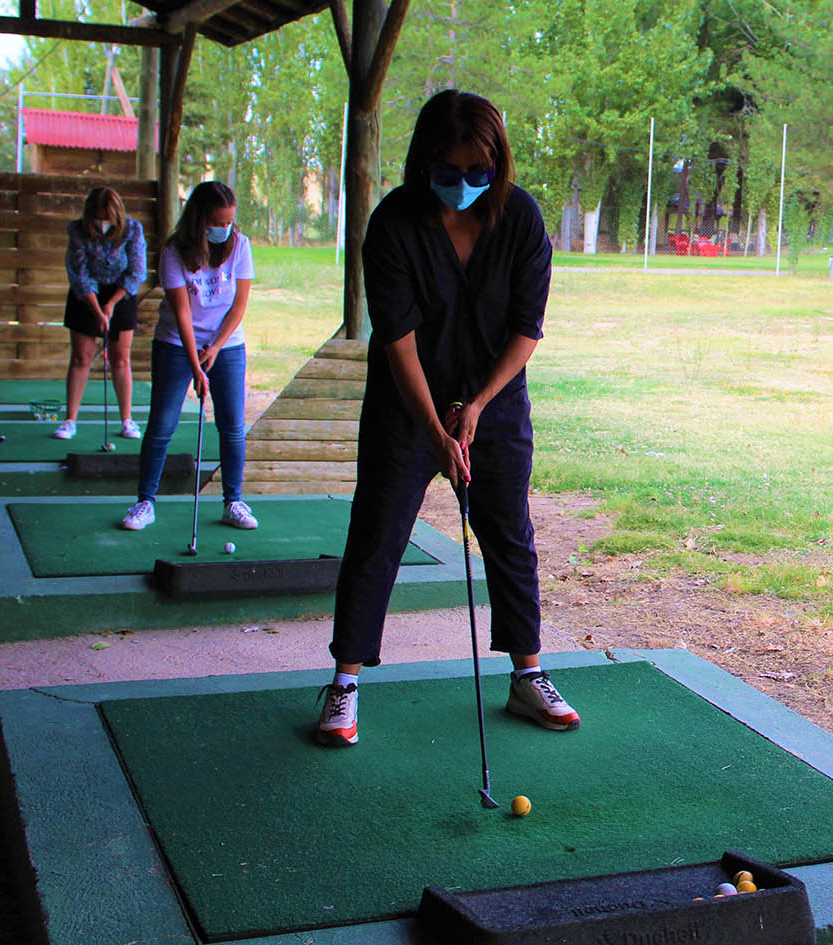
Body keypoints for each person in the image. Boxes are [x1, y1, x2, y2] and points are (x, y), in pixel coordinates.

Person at [316, 90, 578, 747]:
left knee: (508, 533)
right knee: (376, 531)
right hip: (406, 403)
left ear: (498, 164)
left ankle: (527, 674)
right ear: (425, 159)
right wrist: (436, 430)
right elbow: (396, 338)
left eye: (478, 172)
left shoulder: (520, 219)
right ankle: (343, 684)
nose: (464, 185)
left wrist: (477, 407)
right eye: (450, 172)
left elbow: (526, 329)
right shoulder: (395, 224)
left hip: (494, 395)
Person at [120, 181, 258, 532]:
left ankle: (233, 501)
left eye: (229, 221)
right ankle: (145, 502)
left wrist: (214, 348)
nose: (224, 229)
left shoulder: (240, 245)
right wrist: (196, 364)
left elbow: (239, 304)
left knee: (232, 427)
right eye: (217, 222)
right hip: (175, 343)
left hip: (227, 344)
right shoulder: (173, 250)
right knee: (162, 425)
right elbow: (182, 312)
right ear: (199, 219)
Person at [55, 186, 147, 440]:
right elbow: (79, 275)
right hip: (85, 297)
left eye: (107, 218)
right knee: (81, 357)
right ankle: (70, 421)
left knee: (120, 358)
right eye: (98, 217)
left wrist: (111, 305)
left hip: (122, 294)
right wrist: (97, 309)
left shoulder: (132, 230)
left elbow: (137, 272)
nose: (103, 223)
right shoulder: (77, 231)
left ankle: (127, 420)